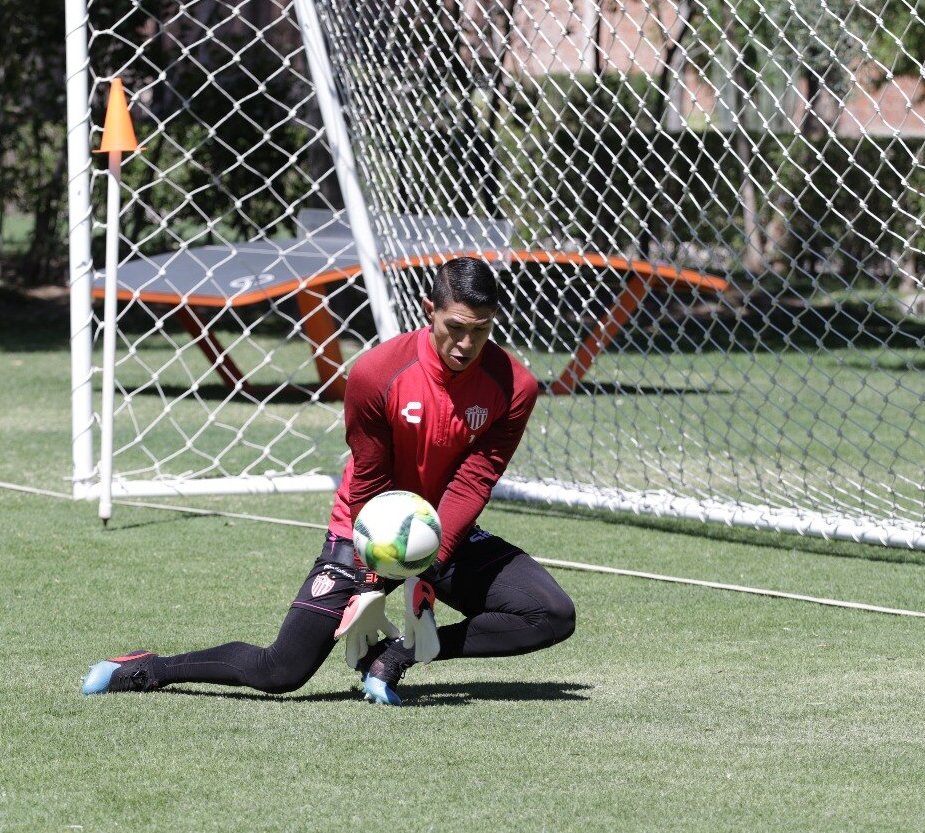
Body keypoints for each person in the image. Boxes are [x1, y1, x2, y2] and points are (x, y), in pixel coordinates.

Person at [81, 257, 576, 705]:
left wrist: (427, 569)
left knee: (550, 613)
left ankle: (397, 654)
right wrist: (374, 576)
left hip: (442, 531)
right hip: (365, 530)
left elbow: (473, 482)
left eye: (481, 330)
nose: (466, 344)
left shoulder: (515, 386)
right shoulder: (377, 373)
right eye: (456, 328)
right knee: (281, 671)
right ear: (430, 311)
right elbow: (370, 479)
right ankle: (149, 668)